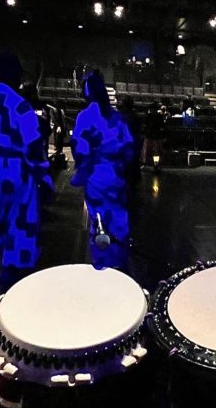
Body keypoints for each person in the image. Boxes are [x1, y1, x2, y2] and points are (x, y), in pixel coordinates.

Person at [0, 51, 51, 287]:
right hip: (19, 170)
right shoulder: (19, 104)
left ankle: (7, 271)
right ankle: (19, 281)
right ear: (14, 76)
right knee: (22, 225)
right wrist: (44, 177)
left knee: (1, 223)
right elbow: (33, 146)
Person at [71, 69, 135, 269]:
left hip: (96, 176)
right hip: (116, 176)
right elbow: (129, 148)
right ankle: (120, 264)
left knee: (99, 222)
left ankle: (102, 264)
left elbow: (80, 150)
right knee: (118, 220)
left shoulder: (84, 117)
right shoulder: (117, 117)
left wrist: (82, 171)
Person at [120, 96, 143, 188]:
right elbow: (139, 130)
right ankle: (133, 181)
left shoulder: (120, 115)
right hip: (133, 141)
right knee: (133, 162)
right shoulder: (135, 116)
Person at [141, 102, 166, 170]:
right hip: (149, 135)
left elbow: (162, 126)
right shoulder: (149, 116)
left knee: (156, 152)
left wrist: (163, 136)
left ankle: (156, 164)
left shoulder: (159, 117)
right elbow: (145, 126)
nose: (152, 110)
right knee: (146, 151)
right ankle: (145, 164)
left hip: (155, 136)